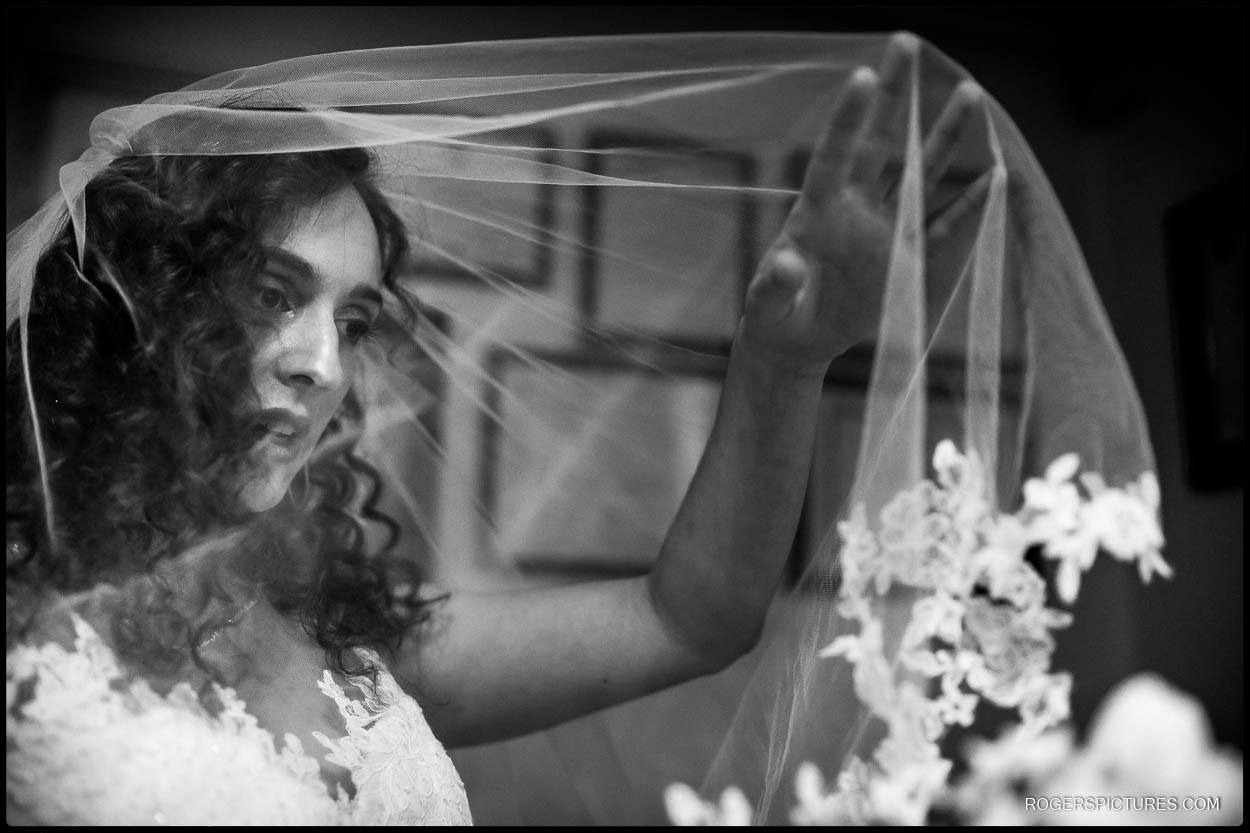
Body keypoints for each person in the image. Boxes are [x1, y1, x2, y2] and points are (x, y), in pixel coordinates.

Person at [6, 32, 1158, 825]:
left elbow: (686, 617)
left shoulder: (346, 642)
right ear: (139, 299)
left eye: (352, 319)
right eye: (268, 294)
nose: (321, 366)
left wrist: (782, 357)